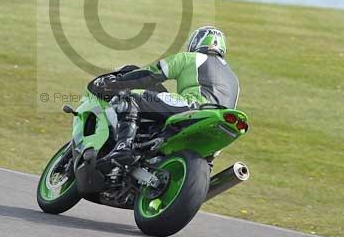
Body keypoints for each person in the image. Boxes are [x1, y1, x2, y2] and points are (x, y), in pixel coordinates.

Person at [90, 26, 240, 164]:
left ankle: (123, 147)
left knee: (131, 98)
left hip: (192, 107)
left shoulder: (191, 58)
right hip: (215, 134)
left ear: (195, 43)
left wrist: (118, 82)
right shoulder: (234, 79)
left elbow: (152, 73)